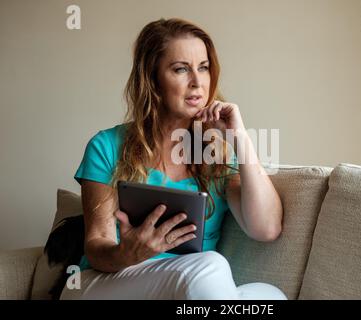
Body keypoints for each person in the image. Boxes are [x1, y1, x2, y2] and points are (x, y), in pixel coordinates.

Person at [60, 17, 286, 300]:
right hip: (107, 282)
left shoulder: (216, 155)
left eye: (203, 68)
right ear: (153, 79)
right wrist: (127, 252)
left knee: (269, 295)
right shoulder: (105, 145)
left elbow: (266, 229)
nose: (197, 82)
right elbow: (96, 246)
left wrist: (239, 137)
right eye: (181, 69)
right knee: (211, 266)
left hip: (190, 290)